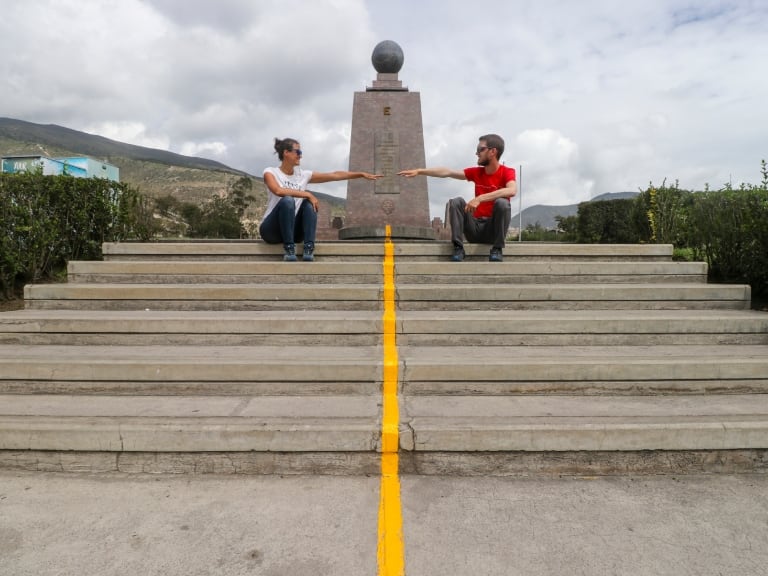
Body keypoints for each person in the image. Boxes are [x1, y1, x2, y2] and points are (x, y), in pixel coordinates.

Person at [398, 134, 517, 262]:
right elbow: (448, 172)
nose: (476, 153)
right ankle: (458, 248)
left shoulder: (507, 172)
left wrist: (480, 198)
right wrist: (420, 171)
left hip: (493, 231)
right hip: (475, 229)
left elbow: (512, 190)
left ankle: (497, 249)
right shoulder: (477, 172)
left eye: (480, 149)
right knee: (456, 202)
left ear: (493, 151)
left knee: (503, 203)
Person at [261, 138, 381, 261]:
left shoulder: (303, 175)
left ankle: (308, 247)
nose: (300, 156)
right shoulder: (270, 172)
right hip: (271, 231)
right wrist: (306, 194)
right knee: (288, 200)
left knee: (308, 204)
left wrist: (360, 174)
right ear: (286, 152)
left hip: (294, 232)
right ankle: (289, 248)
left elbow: (334, 175)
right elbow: (278, 191)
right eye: (298, 152)